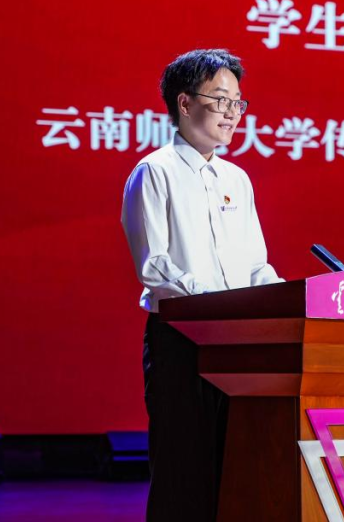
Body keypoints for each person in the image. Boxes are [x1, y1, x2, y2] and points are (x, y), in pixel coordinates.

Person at [121, 49, 283, 521]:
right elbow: (155, 267)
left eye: (238, 103)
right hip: (181, 341)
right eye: (221, 100)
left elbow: (255, 266)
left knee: (236, 466)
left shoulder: (237, 178)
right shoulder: (155, 172)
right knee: (184, 469)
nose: (232, 113)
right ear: (185, 102)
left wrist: (285, 297)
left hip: (240, 343)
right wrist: (219, 304)